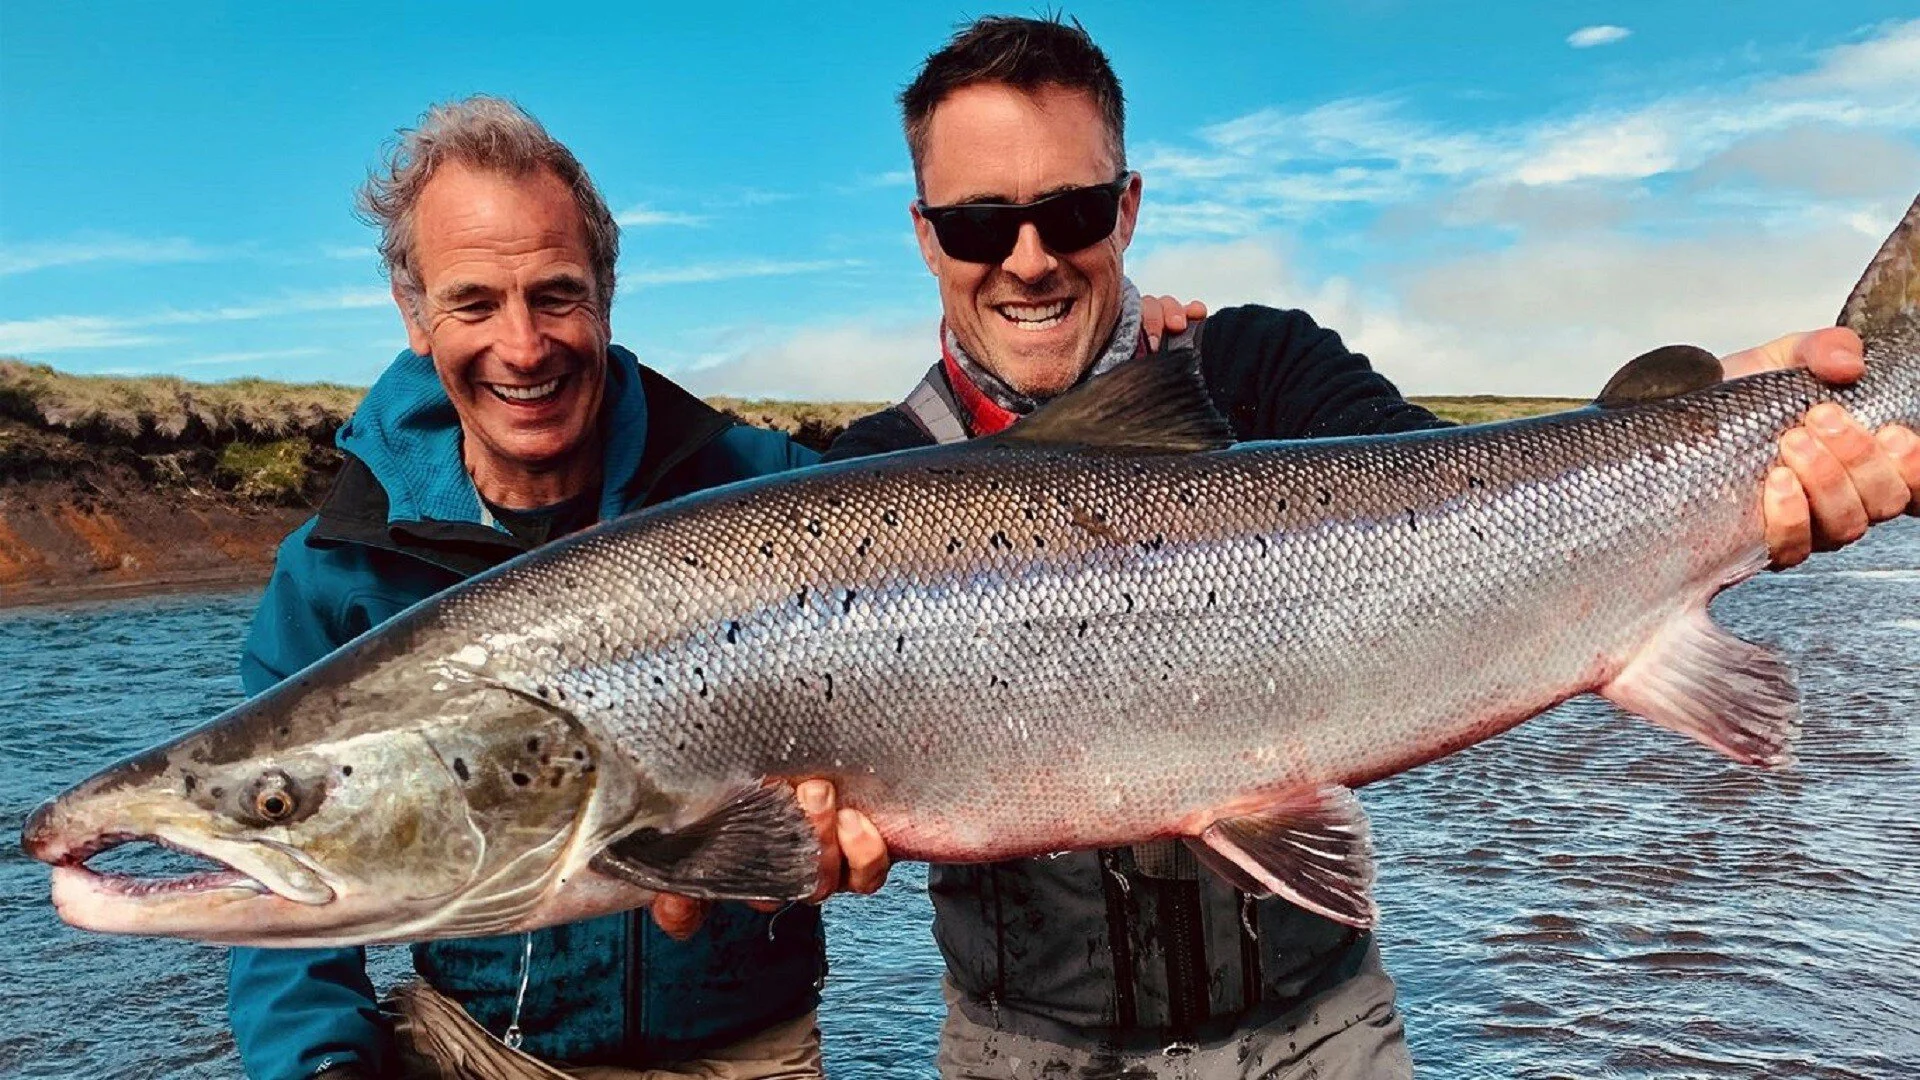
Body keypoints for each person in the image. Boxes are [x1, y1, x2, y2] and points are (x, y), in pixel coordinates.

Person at [823, 16, 1920, 1079]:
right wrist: (784, 848)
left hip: (1322, 1033)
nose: (1029, 261)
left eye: (1072, 212)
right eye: (979, 225)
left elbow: (1479, 502)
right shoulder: (860, 484)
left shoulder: (1258, 366)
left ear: (1128, 208)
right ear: (924, 234)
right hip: (1022, 1051)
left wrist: (1718, 430)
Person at [225, 95, 902, 1080]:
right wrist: (322, 1067)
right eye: (473, 303)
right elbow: (279, 894)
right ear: (414, 315)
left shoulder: (771, 492)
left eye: (555, 295)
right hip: (471, 1051)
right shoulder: (338, 569)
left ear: (605, 296)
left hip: (747, 1052)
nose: (523, 346)